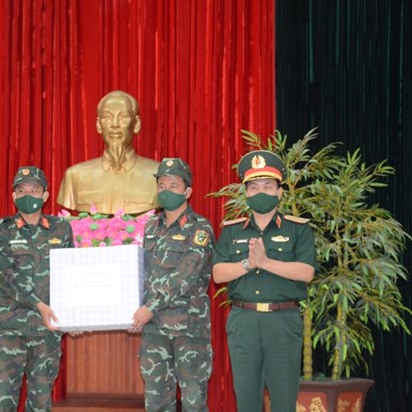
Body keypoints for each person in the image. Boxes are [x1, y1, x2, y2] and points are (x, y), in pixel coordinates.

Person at [212, 150, 316, 412]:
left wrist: (266, 262)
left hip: (282, 321)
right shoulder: (231, 230)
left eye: (268, 186)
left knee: (283, 399)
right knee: (246, 400)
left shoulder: (298, 229)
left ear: (280, 192)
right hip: (243, 322)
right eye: (254, 186)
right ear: (246, 193)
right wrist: (248, 263)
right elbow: (218, 274)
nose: (261, 192)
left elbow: (306, 272)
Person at [0, 166, 75, 412]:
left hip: (46, 332)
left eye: (35, 190)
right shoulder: (0, 231)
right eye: (22, 190)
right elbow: (7, 277)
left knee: (41, 403)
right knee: (2, 402)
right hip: (8, 330)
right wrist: (38, 305)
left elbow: (71, 275)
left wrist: (74, 317)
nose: (29, 195)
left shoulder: (61, 229)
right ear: (13, 196)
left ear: (45, 195)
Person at [131, 158, 215, 412]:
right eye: (162, 184)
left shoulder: (200, 229)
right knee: (156, 401)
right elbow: (143, 274)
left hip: (188, 328)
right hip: (155, 329)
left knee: (193, 401)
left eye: (173, 185)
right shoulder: (151, 228)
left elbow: (186, 274)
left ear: (187, 191)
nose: (166, 190)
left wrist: (150, 307)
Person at [57, 90, 160, 215]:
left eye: (123, 117)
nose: (115, 125)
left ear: (136, 124)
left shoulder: (159, 175)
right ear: (98, 125)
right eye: (107, 117)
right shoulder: (75, 176)